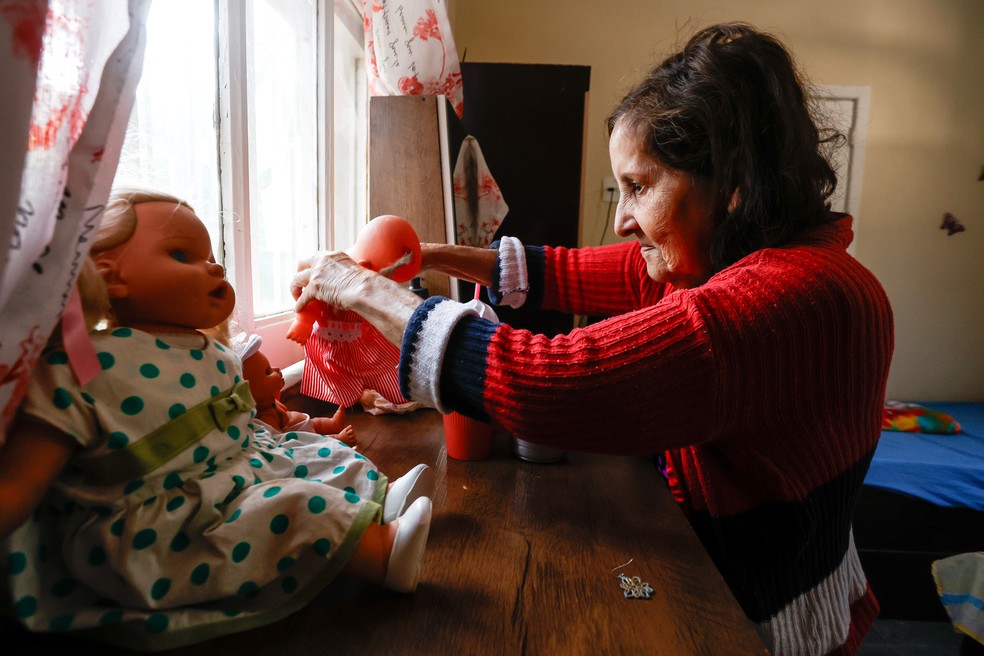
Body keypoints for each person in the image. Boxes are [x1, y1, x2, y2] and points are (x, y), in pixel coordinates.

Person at [291, 22, 894, 656]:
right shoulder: (736, 259)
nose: (621, 219)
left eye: (639, 187)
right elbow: (569, 271)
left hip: (771, 613)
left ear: (733, 184)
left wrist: (359, 288)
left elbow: (545, 384)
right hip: (737, 566)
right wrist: (427, 255)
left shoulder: (785, 299)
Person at [0, 189, 435, 651]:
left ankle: (379, 501)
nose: (215, 267)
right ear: (110, 276)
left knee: (320, 454)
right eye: (183, 254)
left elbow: (246, 429)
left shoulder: (210, 352)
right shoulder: (82, 367)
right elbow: (23, 482)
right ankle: (383, 553)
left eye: (212, 257)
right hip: (169, 522)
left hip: (235, 467)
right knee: (291, 507)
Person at [236, 333, 358, 446]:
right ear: (250, 393)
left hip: (304, 424)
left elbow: (273, 392)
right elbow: (280, 442)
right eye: (268, 372)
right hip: (301, 436)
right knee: (316, 440)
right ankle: (338, 440)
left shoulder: (269, 401)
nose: (277, 368)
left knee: (316, 423)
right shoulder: (266, 417)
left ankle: (333, 424)